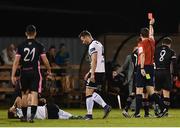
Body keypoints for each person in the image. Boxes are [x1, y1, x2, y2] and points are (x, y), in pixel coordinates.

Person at [11, 25, 52, 123]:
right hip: (34, 72)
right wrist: (49, 70)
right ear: (35, 33)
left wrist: (12, 75)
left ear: (26, 34)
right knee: (34, 94)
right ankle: (32, 117)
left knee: (24, 94)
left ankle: (25, 117)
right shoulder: (39, 45)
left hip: (24, 72)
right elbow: (45, 60)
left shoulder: (21, 46)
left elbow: (16, 62)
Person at [134, 17, 167, 118]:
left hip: (143, 68)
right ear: (147, 35)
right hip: (150, 69)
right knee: (151, 91)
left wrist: (142, 68)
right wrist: (151, 24)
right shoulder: (152, 41)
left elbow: (142, 55)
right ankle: (164, 108)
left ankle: (137, 113)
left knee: (139, 90)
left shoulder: (141, 44)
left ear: (140, 35)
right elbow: (152, 34)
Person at [79, 30, 111, 120]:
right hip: (100, 71)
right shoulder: (98, 43)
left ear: (86, 36)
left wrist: (92, 74)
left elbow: (94, 60)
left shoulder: (92, 45)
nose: (83, 42)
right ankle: (105, 106)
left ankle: (89, 115)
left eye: (83, 39)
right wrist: (89, 72)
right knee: (91, 92)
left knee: (88, 92)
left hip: (96, 72)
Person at [154, 37, 177, 116]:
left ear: (162, 43)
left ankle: (156, 109)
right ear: (169, 44)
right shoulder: (171, 51)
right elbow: (174, 64)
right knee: (166, 92)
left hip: (156, 71)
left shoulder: (155, 50)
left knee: (157, 92)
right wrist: (175, 74)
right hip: (165, 72)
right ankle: (165, 112)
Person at [8, 96, 83, 120]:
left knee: (63, 114)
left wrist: (13, 106)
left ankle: (75, 117)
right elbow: (18, 99)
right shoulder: (21, 115)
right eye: (10, 110)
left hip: (47, 108)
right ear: (13, 113)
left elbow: (18, 98)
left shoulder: (20, 109)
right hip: (47, 114)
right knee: (64, 116)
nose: (12, 108)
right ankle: (75, 117)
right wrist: (13, 108)